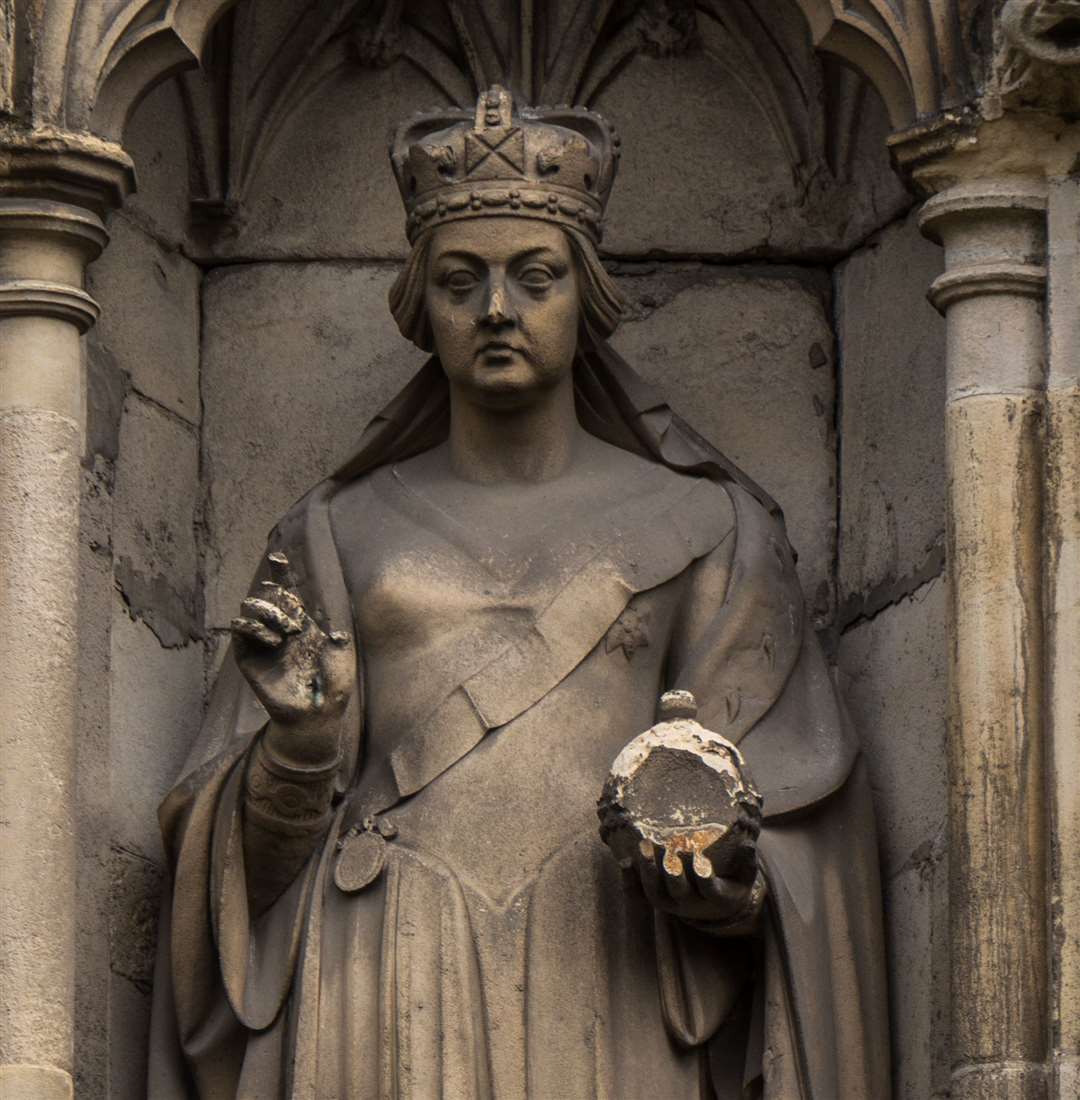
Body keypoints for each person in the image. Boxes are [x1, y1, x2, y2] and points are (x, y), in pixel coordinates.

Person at [149, 86, 890, 1099]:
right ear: (423, 305)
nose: (497, 309)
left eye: (533, 277)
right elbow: (227, 863)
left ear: (584, 293)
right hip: (380, 955)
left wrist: (714, 866)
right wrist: (300, 745)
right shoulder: (333, 530)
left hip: (608, 959)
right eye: (461, 281)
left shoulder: (712, 530)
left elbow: (791, 820)